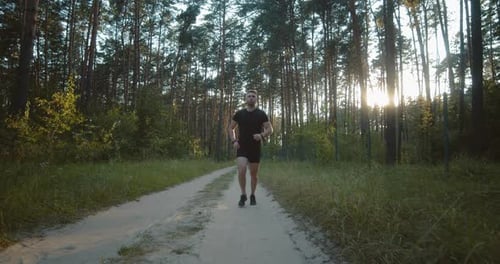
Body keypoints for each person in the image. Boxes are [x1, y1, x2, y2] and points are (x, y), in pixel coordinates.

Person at [228, 90, 273, 207]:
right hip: (242, 146)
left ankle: (252, 194)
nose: (251, 98)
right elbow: (230, 128)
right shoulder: (239, 114)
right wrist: (234, 141)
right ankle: (243, 194)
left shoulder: (261, 114)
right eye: (249, 96)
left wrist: (261, 135)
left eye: (253, 96)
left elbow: (270, 129)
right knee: (242, 169)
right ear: (245, 98)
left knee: (253, 174)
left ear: (256, 99)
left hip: (255, 147)